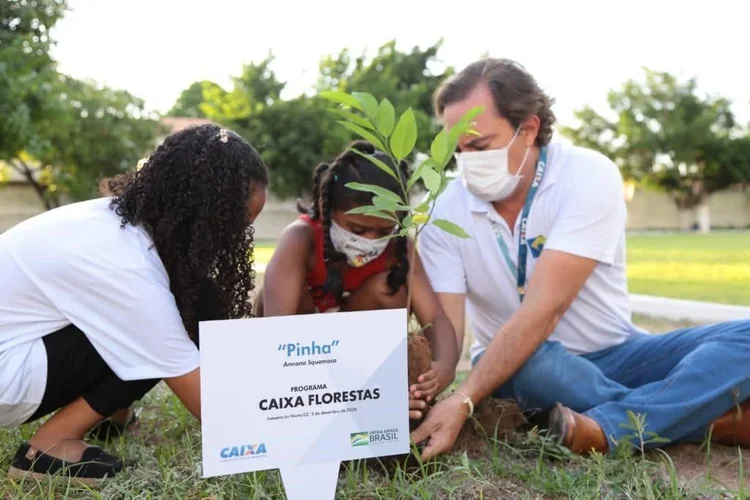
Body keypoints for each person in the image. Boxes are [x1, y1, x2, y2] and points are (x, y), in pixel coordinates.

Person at [409, 57, 750, 460]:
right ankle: (710, 419)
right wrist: (430, 385)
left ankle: (610, 426)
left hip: (620, 354)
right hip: (521, 367)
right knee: (538, 366)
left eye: (480, 146)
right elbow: (448, 330)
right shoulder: (443, 210)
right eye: (457, 150)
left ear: (530, 128)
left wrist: (465, 399)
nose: (467, 162)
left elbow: (544, 310)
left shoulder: (588, 175)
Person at [0, 124, 268, 482]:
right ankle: (49, 447)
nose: (237, 237)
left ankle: (111, 416)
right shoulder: (126, 263)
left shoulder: (113, 221)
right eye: (232, 223)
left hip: (18, 348)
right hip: (8, 377)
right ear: (200, 210)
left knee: (180, 305)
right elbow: (213, 408)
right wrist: (294, 431)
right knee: (164, 326)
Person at [255, 140, 460, 418]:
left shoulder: (399, 248)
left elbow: (434, 317)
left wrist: (445, 366)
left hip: (356, 360)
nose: (370, 241)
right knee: (287, 296)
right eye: (358, 229)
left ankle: (377, 392)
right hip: (299, 361)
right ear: (327, 207)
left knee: (389, 288)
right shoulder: (300, 239)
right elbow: (275, 332)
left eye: (384, 230)